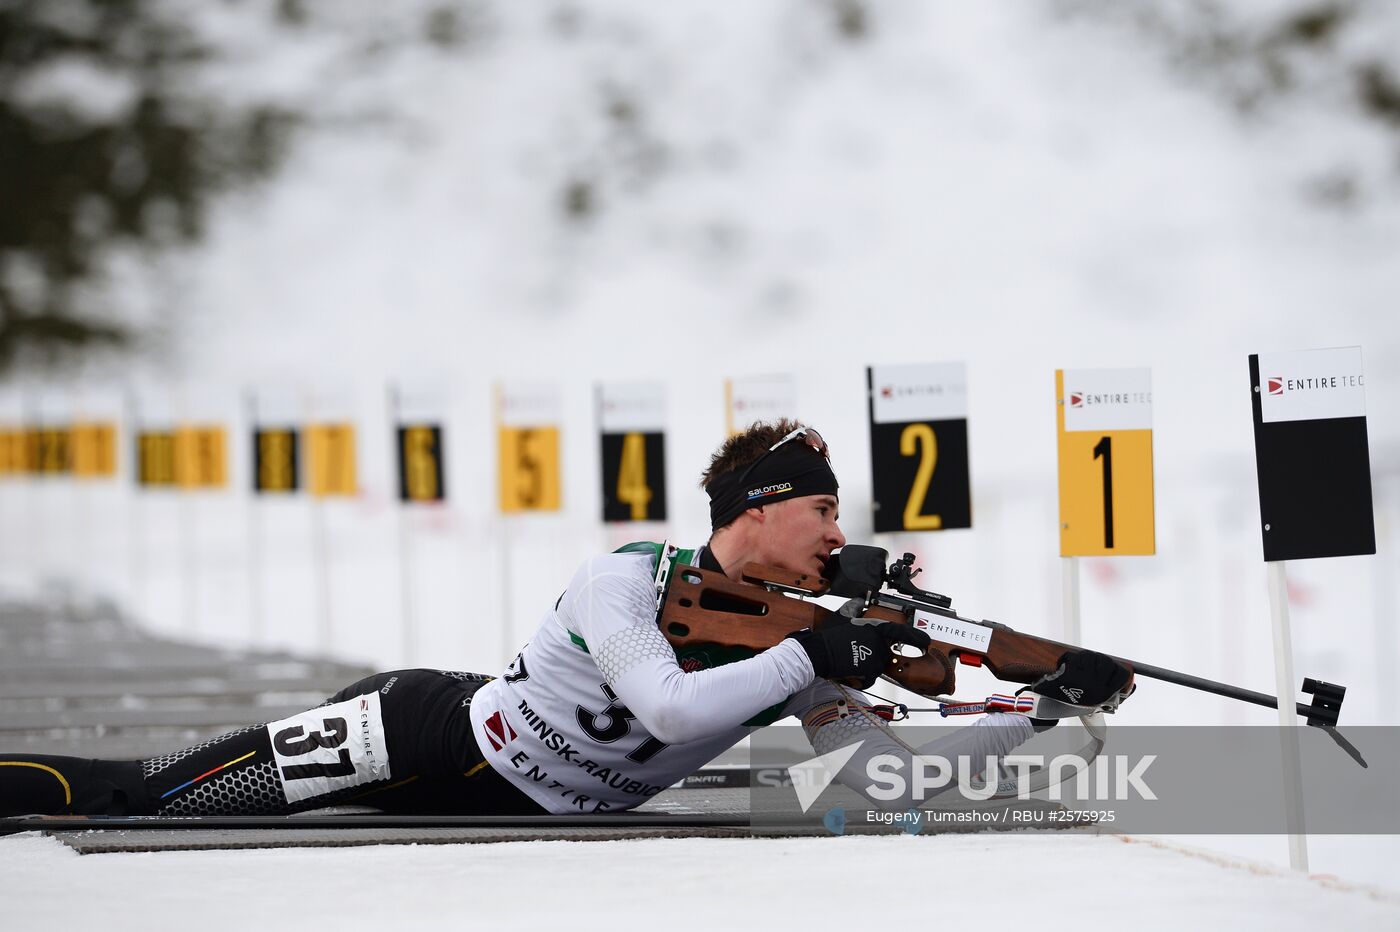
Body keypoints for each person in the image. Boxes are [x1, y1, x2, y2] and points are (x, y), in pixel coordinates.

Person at [0, 419, 1131, 818]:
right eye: (823, 509)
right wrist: (812, 648)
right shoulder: (624, 581)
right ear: (759, 509)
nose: (840, 533)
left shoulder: (796, 635)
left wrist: (1039, 712)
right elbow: (665, 700)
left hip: (502, 794)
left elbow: (885, 788)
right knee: (153, 795)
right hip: (423, 734)